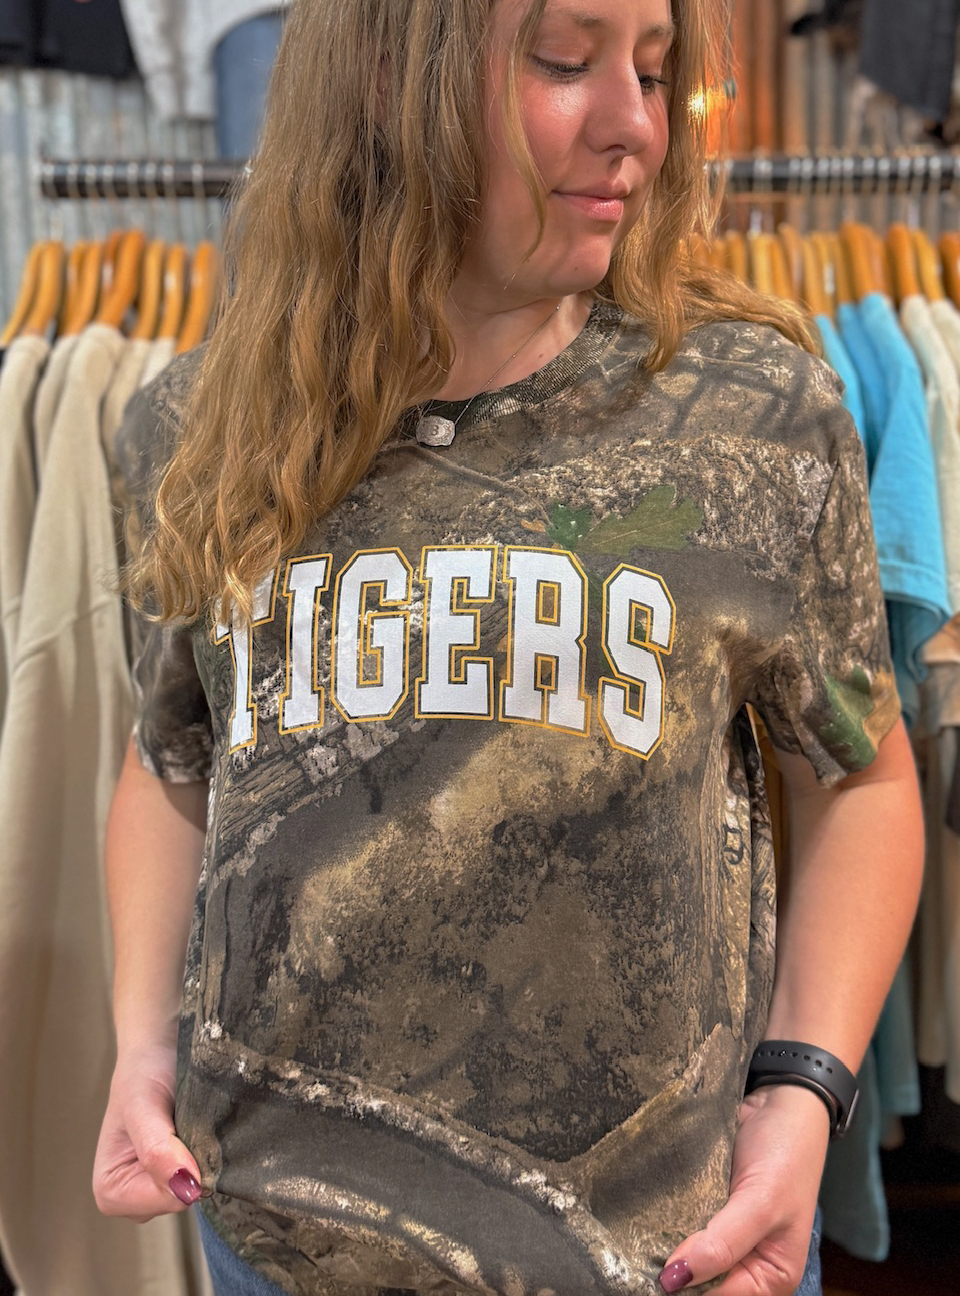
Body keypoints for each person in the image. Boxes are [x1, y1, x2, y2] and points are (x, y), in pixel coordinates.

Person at [93, 0, 924, 1293]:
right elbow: (171, 768)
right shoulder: (197, 431)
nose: (636, 125)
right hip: (283, 1238)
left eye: (655, 71)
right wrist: (142, 1046)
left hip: (668, 1251)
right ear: (389, 72)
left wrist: (804, 1089)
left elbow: (860, 778)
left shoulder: (750, 418)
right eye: (564, 63)